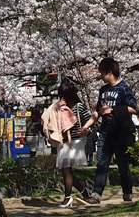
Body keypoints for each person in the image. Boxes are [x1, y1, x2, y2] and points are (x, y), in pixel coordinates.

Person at [86, 58, 138, 205]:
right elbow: (97, 112)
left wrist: (114, 109)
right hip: (105, 131)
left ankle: (127, 192)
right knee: (102, 163)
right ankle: (96, 194)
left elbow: (133, 108)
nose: (100, 76)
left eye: (102, 73)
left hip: (121, 132)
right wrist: (86, 127)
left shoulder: (123, 88)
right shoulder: (103, 90)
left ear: (109, 72)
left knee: (123, 164)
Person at [55, 80, 97, 208]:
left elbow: (91, 119)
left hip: (76, 141)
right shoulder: (61, 106)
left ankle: (68, 198)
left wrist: (85, 130)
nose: (63, 97)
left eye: (64, 94)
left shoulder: (79, 106)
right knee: (66, 170)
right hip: (64, 140)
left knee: (66, 168)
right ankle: (85, 193)